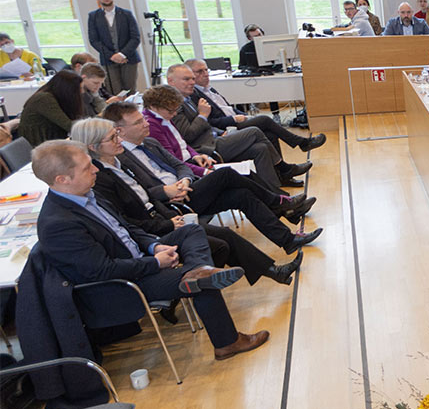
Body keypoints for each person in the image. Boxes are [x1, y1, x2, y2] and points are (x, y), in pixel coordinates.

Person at [30, 140, 269, 361]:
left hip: (140, 259)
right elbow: (102, 271)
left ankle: (200, 270)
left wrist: (153, 245)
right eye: (86, 167)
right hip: (120, 285)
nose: (95, 170)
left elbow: (127, 228)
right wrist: (156, 263)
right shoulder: (58, 223)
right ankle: (227, 341)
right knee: (201, 282)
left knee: (192, 232)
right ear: (62, 179)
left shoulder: (88, 194)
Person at [72, 118, 303, 285]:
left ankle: (286, 243)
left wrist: (179, 187)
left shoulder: (119, 163)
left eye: (117, 134)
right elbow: (129, 219)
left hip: (171, 207)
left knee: (242, 195)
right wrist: (169, 218)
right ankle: (279, 217)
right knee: (223, 232)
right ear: (93, 147)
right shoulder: (100, 179)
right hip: (159, 224)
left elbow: (150, 193)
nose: (118, 139)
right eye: (113, 137)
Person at [100, 101, 322, 254]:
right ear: (119, 130)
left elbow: (179, 164)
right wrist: (167, 191)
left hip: (189, 187)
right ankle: (280, 202)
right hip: (175, 203)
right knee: (226, 173)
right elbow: (143, 192)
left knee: (242, 194)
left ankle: (288, 239)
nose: (145, 123)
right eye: (138, 122)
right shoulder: (122, 158)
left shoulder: (148, 143)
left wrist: (186, 179)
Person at [165, 66, 311, 190]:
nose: (192, 82)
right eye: (186, 79)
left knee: (260, 148)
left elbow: (208, 125)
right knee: (256, 130)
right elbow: (188, 135)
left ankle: (275, 192)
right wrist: (203, 115)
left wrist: (220, 131)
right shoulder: (174, 104)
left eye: (192, 78)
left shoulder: (189, 98)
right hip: (206, 149)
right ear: (170, 81)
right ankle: (285, 167)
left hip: (217, 137)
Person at [184, 58, 325, 154]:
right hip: (227, 128)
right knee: (264, 119)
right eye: (200, 72)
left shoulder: (209, 89)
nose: (205, 74)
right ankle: (301, 143)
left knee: (270, 134)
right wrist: (235, 119)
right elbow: (209, 122)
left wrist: (243, 115)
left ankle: (282, 173)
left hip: (237, 120)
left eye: (206, 70)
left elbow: (229, 108)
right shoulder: (195, 95)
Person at [86, 0, 141, 93]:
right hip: (108, 60)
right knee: (114, 92)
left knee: (130, 90)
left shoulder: (126, 14)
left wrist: (122, 54)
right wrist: (112, 56)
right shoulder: (93, 16)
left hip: (129, 58)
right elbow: (94, 40)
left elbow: (135, 37)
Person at [20, 70, 84, 146]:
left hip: (48, 140)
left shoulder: (52, 96)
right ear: (68, 90)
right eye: (78, 89)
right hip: (38, 144)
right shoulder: (44, 99)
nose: (82, 91)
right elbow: (68, 125)